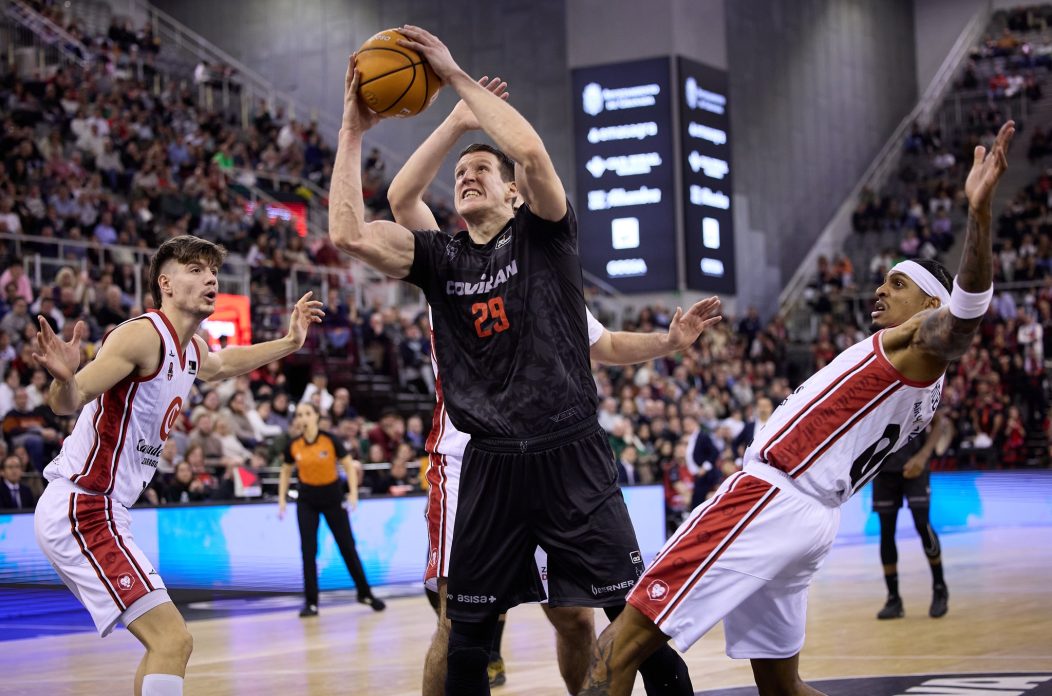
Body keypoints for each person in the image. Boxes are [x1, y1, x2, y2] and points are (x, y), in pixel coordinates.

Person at [331, 26, 718, 695]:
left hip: (570, 452)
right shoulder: (443, 257)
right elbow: (351, 231)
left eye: (483, 168)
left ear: (512, 193)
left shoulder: (546, 241)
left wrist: (456, 78)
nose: (467, 174)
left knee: (632, 624)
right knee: (467, 639)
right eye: (460, 175)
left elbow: (533, 154)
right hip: (488, 463)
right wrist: (351, 127)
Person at [581, 121, 1015, 696]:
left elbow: (961, 326)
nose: (879, 292)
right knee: (782, 689)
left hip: (770, 498)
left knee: (616, 648)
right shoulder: (918, 378)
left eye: (896, 284)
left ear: (930, 303)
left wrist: (978, 216)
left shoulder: (917, 343)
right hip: (811, 516)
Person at [32, 235, 324, 696]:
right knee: (174, 640)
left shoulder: (191, 350)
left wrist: (290, 342)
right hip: (82, 506)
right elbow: (68, 402)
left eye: (212, 270)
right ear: (165, 283)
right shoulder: (142, 335)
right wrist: (65, 379)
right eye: (195, 268)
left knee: (163, 648)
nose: (210, 277)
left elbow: (225, 364)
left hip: (107, 511)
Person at [278, 401, 385, 617]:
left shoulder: (330, 440)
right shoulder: (293, 445)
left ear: (316, 417)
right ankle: (311, 603)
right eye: (299, 415)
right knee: (308, 551)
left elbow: (348, 464)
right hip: (306, 500)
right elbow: (285, 471)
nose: (303, 418)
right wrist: (281, 499)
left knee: (347, 547)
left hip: (333, 498)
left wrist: (353, 492)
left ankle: (365, 593)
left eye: (307, 413)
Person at [872, 410, 949, 620]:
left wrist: (923, 456)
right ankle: (893, 598)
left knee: (922, 525)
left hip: (915, 465)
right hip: (883, 469)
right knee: (886, 532)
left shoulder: (918, 382)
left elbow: (940, 423)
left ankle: (940, 587)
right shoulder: (876, 388)